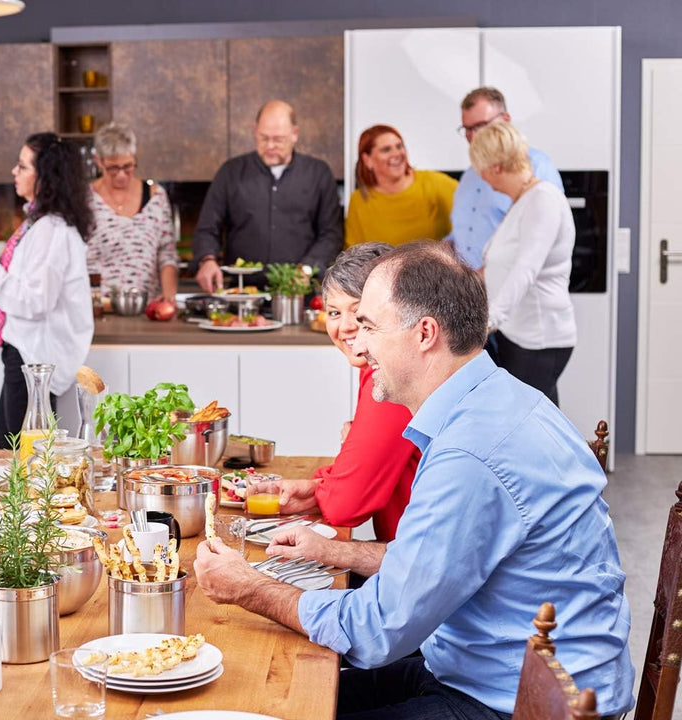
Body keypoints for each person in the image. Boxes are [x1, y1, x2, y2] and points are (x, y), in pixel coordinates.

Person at [193, 243, 633, 719]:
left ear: (425, 333)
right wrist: (338, 554)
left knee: (276, 697)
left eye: (370, 326)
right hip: (486, 670)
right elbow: (437, 563)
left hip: (523, 703)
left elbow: (375, 631)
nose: (360, 345)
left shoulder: (469, 451)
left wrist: (250, 587)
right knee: (285, 694)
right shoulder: (501, 398)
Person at [246, 243, 418, 543]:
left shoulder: (393, 373)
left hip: (418, 562)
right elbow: (368, 472)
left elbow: (345, 506)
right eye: (334, 312)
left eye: (360, 312)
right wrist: (317, 489)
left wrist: (326, 487)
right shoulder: (376, 368)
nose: (346, 326)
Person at [0, 133, 95, 448]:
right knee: (9, 454)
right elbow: (21, 287)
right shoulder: (39, 225)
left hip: (31, 360)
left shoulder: (50, 230)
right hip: (26, 356)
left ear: (45, 177)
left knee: (21, 459)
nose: (14, 172)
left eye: (23, 166)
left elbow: (35, 301)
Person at [470, 122, 576, 405]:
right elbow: (499, 265)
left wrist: (488, 321)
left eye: (480, 169)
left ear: (495, 167)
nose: (481, 177)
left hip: (539, 337)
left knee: (526, 419)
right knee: (539, 420)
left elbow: (525, 269)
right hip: (518, 332)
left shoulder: (543, 200)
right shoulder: (524, 200)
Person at [192, 100, 343, 293]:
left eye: (278, 139)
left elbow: (331, 233)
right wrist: (207, 259)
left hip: (297, 292)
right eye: (263, 138)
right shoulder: (231, 172)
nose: (270, 145)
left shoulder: (318, 173)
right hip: (242, 291)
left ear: (295, 134)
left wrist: (307, 268)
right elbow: (207, 227)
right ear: (255, 131)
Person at [448, 86, 564, 270]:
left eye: (480, 125)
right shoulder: (469, 176)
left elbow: (544, 241)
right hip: (464, 284)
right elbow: (460, 236)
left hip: (507, 283)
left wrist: (486, 276)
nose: (473, 136)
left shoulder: (538, 168)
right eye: (467, 129)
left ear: (506, 120)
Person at [87, 121, 178, 303]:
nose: (121, 175)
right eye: (113, 168)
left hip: (146, 306)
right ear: (98, 161)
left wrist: (169, 297)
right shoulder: (85, 199)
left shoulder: (156, 197)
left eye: (128, 166)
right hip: (96, 308)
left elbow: (167, 253)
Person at [344, 124, 457, 247]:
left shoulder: (435, 184)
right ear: (367, 160)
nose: (397, 153)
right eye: (386, 149)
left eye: (399, 146)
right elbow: (353, 251)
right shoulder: (359, 200)